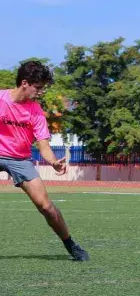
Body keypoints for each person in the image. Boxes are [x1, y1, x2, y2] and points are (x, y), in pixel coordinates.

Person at [0, 60, 89, 261]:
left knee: (46, 207)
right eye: (38, 87)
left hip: (20, 159)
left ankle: (71, 245)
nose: (41, 92)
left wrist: (54, 162)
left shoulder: (36, 111)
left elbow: (44, 145)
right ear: (25, 83)